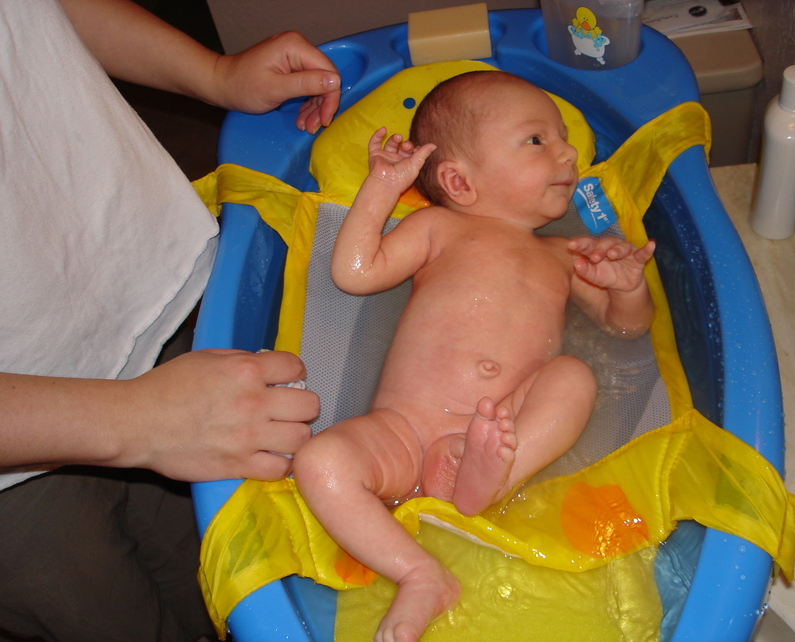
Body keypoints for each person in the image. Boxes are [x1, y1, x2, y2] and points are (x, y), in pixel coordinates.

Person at [0, 0, 337, 639]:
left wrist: (214, 73)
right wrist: (138, 421)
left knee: (220, 568)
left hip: (158, 299)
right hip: (19, 473)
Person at [292, 70, 656, 642]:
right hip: (404, 429)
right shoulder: (437, 227)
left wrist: (628, 288)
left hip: (502, 424)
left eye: (564, 139)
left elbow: (626, 327)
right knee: (320, 462)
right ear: (459, 181)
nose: (567, 153)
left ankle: (495, 473)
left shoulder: (566, 254)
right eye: (537, 140)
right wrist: (382, 187)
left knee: (573, 378)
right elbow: (355, 272)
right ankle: (420, 573)